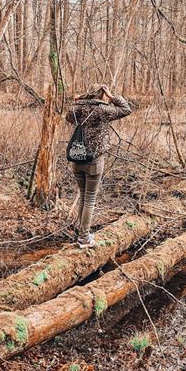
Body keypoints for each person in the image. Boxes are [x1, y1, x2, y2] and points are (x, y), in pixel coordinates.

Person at [66, 84, 132, 248]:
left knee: (83, 196)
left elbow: (68, 116)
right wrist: (112, 97)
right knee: (89, 199)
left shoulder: (76, 109)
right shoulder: (103, 110)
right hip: (94, 161)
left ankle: (80, 232)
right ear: (102, 94)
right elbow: (126, 109)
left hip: (77, 158)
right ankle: (84, 238)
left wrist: (78, 100)